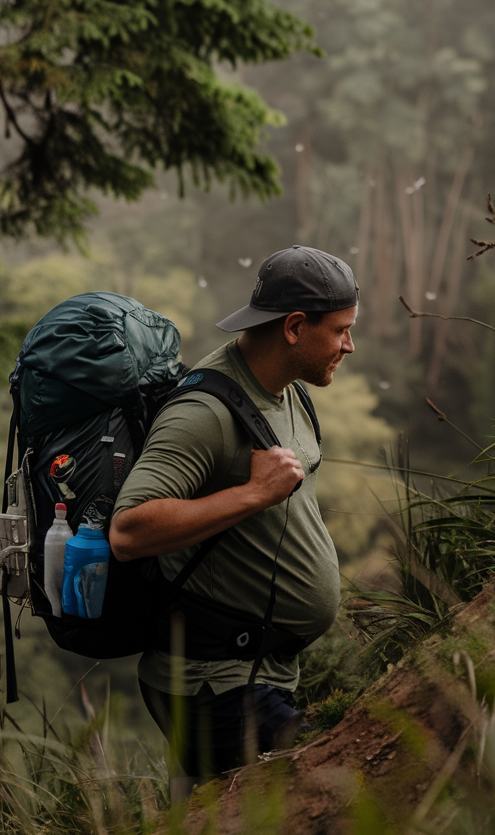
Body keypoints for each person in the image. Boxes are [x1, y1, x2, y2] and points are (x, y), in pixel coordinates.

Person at [109, 245, 358, 795]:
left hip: (259, 671)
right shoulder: (203, 414)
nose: (349, 344)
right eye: (340, 330)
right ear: (294, 326)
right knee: (336, 784)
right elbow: (129, 531)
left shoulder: (287, 390)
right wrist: (252, 493)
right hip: (212, 681)